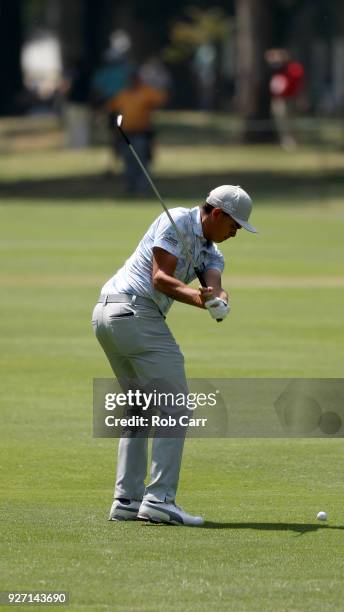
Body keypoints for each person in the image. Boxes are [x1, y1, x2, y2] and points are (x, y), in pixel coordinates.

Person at [92, 185, 257, 526]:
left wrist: (218, 299)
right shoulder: (176, 221)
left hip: (110, 315)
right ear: (216, 213)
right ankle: (160, 499)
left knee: (139, 406)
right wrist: (199, 300)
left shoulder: (213, 250)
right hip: (135, 312)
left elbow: (214, 281)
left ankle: (127, 499)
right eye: (234, 225)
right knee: (175, 405)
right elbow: (160, 280)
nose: (235, 232)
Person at [106, 73, 168, 193]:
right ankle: (131, 186)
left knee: (142, 161)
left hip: (141, 133)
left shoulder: (146, 92)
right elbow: (112, 109)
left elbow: (161, 100)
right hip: (125, 134)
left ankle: (142, 188)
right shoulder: (123, 94)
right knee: (128, 161)